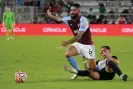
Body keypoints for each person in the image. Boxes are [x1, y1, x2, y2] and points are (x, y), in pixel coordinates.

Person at [47, 3, 96, 79]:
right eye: (71, 10)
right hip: (78, 44)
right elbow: (59, 19)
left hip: (88, 45)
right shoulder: (68, 19)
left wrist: (67, 42)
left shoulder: (84, 21)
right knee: (67, 54)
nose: (72, 12)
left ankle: (97, 64)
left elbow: (79, 36)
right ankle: (77, 71)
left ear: (78, 11)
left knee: (92, 69)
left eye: (74, 10)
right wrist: (51, 16)